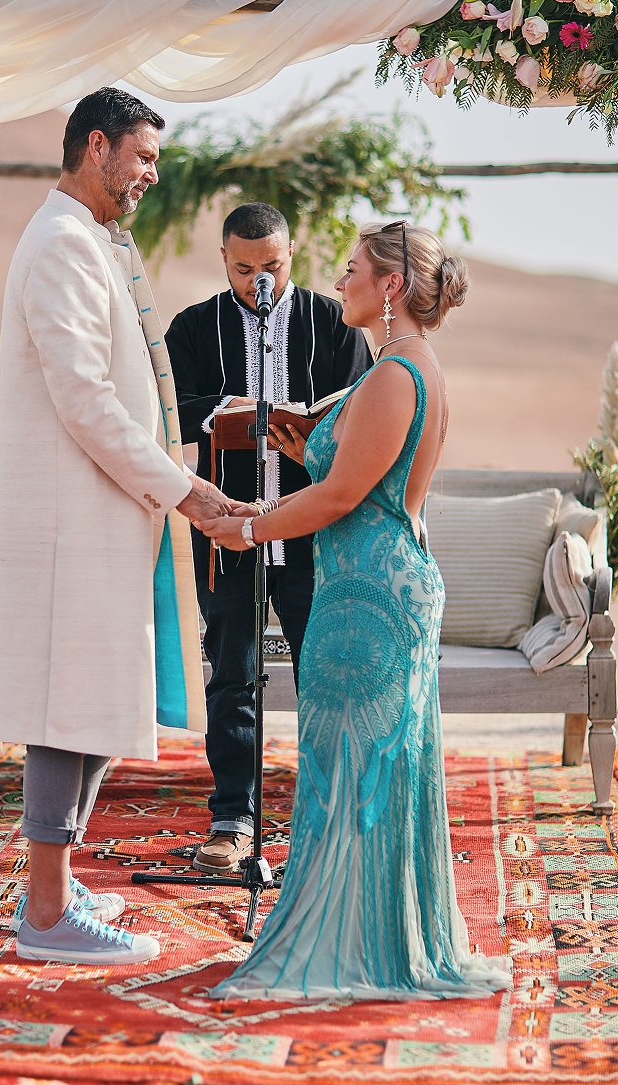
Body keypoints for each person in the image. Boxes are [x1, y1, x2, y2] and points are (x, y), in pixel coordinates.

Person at [198, 222, 512, 999]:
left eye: (351, 272)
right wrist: (301, 443)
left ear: (391, 288)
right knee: (368, 765)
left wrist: (244, 527)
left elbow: (342, 498)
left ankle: (356, 944)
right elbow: (357, 474)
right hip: (372, 584)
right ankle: (375, 931)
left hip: (369, 596)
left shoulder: (397, 376)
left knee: (355, 768)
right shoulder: (400, 370)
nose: (339, 284)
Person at [0, 88, 233, 967]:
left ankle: (50, 890)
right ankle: (47, 918)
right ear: (97, 147)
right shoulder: (60, 244)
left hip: (100, 517)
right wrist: (185, 492)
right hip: (70, 521)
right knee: (68, 705)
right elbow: (85, 400)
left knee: (91, 699)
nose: (149, 177)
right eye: (142, 158)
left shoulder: (90, 242)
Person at [167, 202, 373, 874]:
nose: (260, 280)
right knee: (231, 676)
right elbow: (166, 409)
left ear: (295, 253)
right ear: (223, 260)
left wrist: (311, 431)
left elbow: (363, 408)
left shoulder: (332, 323)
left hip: (314, 531)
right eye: (245, 268)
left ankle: (332, 817)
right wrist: (228, 411)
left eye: (273, 267)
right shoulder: (193, 328)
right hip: (226, 531)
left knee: (326, 673)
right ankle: (233, 822)